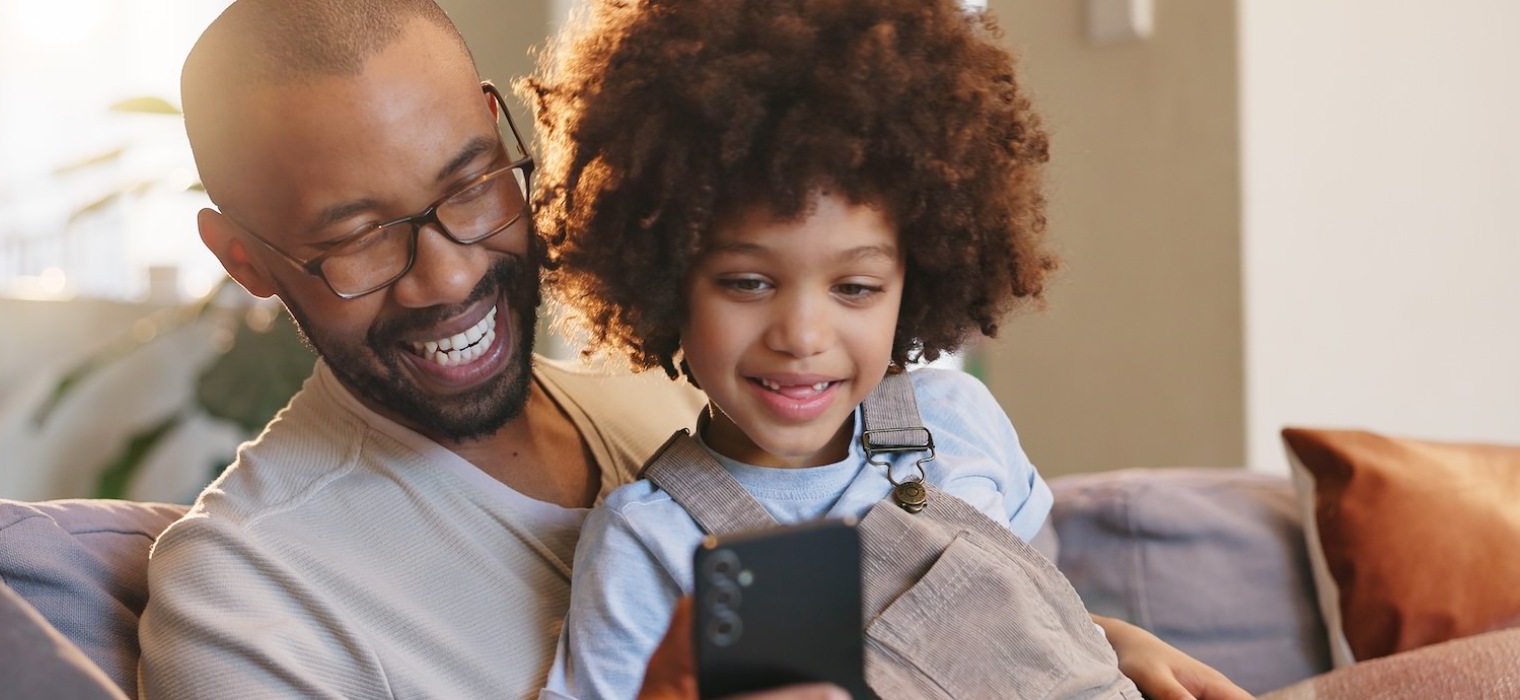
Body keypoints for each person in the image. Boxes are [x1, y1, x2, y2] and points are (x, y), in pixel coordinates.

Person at [142, 0, 1248, 698]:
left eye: (471, 186)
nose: (449, 274)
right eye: (358, 240)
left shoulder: (685, 404)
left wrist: (1082, 646)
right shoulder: (245, 590)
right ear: (243, 257)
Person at [524, 0, 1254, 698]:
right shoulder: (648, 541)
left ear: (919, 277)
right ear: (661, 277)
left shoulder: (959, 421)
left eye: (857, 288)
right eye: (748, 282)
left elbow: (1038, 625)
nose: (803, 337)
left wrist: (1121, 643)